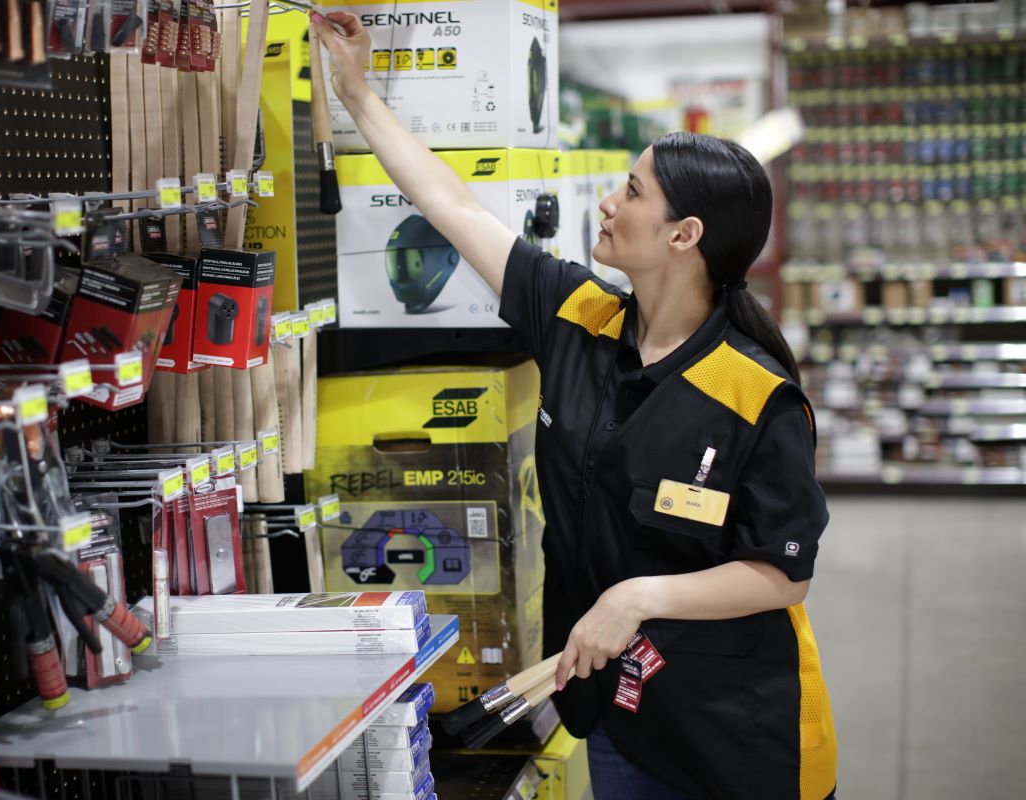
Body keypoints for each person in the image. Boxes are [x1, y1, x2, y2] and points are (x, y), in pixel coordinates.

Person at [313, 11, 838, 800]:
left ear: (684, 235)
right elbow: (453, 207)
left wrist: (639, 597)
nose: (608, 202)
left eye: (633, 191)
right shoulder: (578, 317)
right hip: (615, 710)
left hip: (728, 731)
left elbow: (782, 573)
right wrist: (354, 89)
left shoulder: (754, 393)